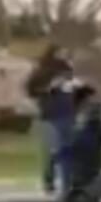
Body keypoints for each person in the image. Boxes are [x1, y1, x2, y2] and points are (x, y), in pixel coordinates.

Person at [26, 46, 75, 193]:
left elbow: (30, 89)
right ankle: (54, 181)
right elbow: (31, 90)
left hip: (60, 113)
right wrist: (48, 90)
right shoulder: (45, 72)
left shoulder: (65, 71)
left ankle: (59, 182)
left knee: (59, 150)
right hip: (56, 114)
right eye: (60, 52)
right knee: (57, 150)